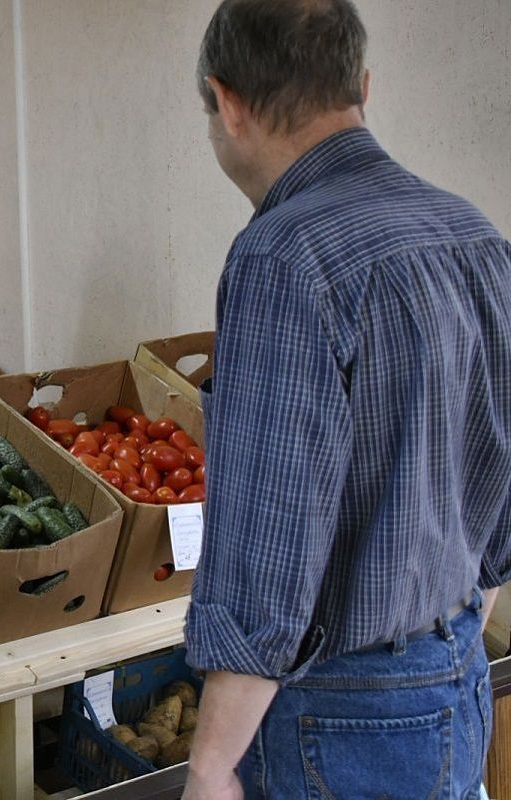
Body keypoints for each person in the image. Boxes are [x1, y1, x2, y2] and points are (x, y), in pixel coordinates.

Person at [183, 1, 511, 798]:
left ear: (226, 101)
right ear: (361, 86)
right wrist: (449, 623)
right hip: (460, 672)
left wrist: (212, 761)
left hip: (339, 711)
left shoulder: (283, 257)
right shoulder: (470, 234)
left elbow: (268, 552)